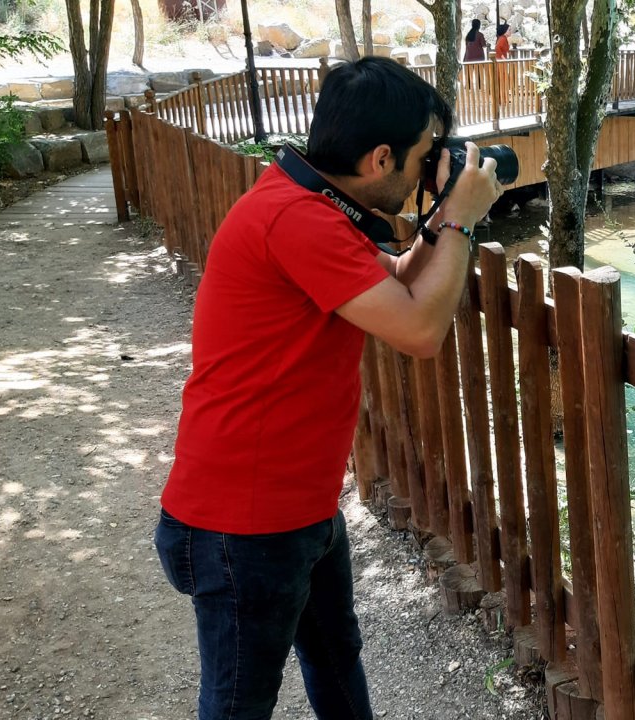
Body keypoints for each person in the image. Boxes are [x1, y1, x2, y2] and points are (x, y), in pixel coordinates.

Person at [153, 56, 502, 720]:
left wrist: (440, 220)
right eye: (424, 157)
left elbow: (397, 277)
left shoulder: (305, 202)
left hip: (297, 506)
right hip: (245, 525)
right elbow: (420, 329)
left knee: (335, 658)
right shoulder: (298, 221)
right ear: (378, 159)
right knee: (237, 707)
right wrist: (457, 220)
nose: (430, 170)